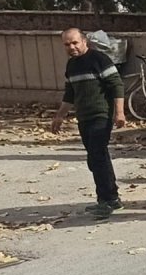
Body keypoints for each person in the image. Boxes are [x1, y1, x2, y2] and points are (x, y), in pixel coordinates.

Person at [50, 28, 127, 218]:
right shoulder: (71, 65)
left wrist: (119, 113)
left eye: (75, 42)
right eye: (67, 44)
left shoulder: (99, 59)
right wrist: (60, 116)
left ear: (84, 41)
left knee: (97, 156)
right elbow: (70, 93)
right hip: (83, 117)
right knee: (95, 158)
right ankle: (111, 198)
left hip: (101, 115)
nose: (71, 47)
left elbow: (116, 85)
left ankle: (106, 201)